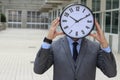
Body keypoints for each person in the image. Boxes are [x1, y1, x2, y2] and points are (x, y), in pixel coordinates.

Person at [34, 17, 117, 80]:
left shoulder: (95, 47)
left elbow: (111, 73)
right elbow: (38, 70)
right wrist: (48, 40)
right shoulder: (55, 46)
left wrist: (104, 44)